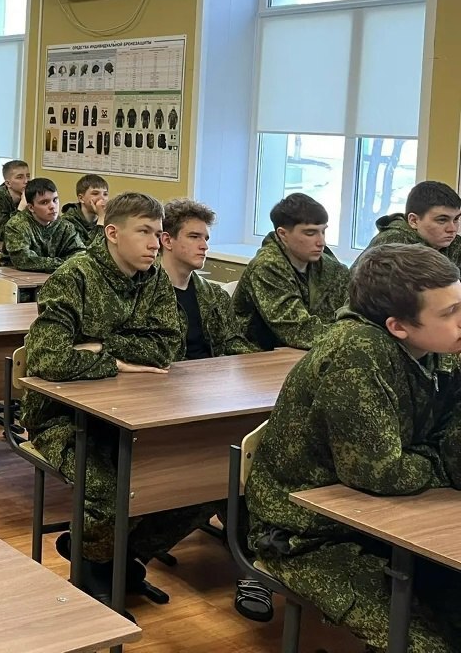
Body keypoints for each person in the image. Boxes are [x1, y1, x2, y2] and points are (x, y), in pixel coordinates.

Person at [245, 245, 461, 653]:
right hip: (306, 533)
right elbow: (380, 473)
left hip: (391, 521)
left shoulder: (440, 351)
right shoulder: (356, 352)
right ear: (398, 326)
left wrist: (437, 461)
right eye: (450, 312)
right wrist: (439, 463)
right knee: (430, 645)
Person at [21, 192, 209, 603]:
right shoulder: (75, 277)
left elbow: (167, 348)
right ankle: (95, 567)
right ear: (112, 233)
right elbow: (48, 358)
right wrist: (119, 362)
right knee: (110, 489)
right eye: (144, 232)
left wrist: (100, 347)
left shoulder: (153, 278)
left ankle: (117, 557)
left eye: (158, 234)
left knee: (203, 481)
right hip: (63, 417)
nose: (154, 244)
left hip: (135, 409)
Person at [231, 193, 350, 351]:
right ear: (283, 234)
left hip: (308, 352)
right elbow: (299, 332)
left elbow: (352, 314)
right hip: (255, 354)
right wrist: (352, 337)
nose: (321, 242)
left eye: (323, 232)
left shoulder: (330, 267)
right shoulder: (267, 266)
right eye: (310, 233)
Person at [160, 199, 258, 359]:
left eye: (205, 239)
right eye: (194, 237)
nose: (204, 246)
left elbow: (234, 342)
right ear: (167, 240)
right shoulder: (145, 293)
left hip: (211, 372)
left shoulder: (216, 296)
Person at [360, 180, 461, 264]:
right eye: (442, 220)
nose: (452, 229)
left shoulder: (454, 243)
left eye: (456, 219)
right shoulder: (392, 245)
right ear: (414, 221)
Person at [1, 177, 83, 273]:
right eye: (44, 202)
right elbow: (24, 260)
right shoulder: (16, 225)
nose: (52, 206)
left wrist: (63, 264)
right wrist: (65, 263)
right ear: (31, 207)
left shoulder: (65, 226)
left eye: (55, 200)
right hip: (15, 277)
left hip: (51, 276)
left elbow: (80, 255)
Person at [60, 174, 110, 247]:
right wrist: (101, 219)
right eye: (95, 193)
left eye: (105, 194)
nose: (102, 198)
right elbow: (87, 251)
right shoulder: (67, 223)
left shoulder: (109, 219)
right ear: (81, 198)